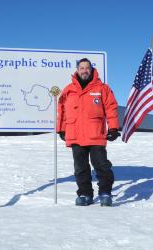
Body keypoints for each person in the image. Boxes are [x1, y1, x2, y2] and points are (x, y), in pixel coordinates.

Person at [57, 58, 120, 206]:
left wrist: (113, 128)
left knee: (101, 165)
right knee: (80, 167)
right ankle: (85, 194)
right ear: (77, 70)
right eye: (81, 68)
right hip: (75, 134)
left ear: (91, 70)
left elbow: (111, 107)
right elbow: (62, 110)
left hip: (95, 133)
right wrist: (61, 128)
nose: (84, 70)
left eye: (87, 68)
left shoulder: (102, 88)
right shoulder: (68, 90)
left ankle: (105, 193)